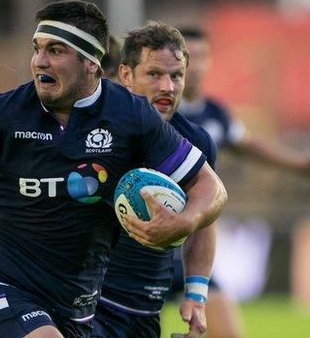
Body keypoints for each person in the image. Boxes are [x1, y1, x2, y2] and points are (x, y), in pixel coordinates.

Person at [0, 0, 227, 338]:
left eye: (56, 51)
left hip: (78, 311)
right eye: (37, 48)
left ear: (91, 62)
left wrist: (185, 222)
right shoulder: (6, 113)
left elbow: (210, 187)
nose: (39, 61)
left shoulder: (132, 117)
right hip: (2, 291)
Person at [172, 26, 310, 338]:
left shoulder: (215, 114)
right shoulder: (155, 111)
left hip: (193, 244)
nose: (196, 65)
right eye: (188, 57)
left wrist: (301, 165)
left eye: (203, 56)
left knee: (228, 332)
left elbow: (247, 145)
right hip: (145, 244)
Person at [91, 23, 218, 338]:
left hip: (145, 310)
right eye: (154, 74)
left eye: (176, 76)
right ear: (126, 74)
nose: (168, 87)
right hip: (88, 305)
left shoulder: (195, 142)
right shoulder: (93, 128)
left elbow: (206, 218)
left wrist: (196, 296)